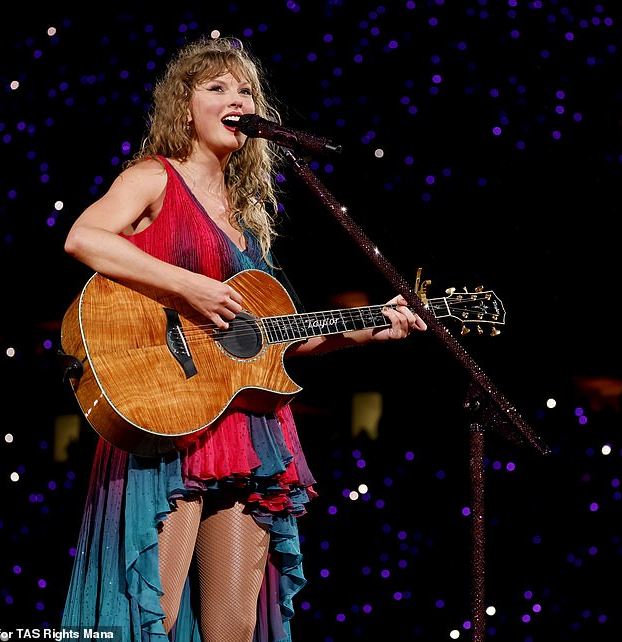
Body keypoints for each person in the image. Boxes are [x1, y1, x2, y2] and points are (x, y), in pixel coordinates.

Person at [59, 34, 427, 642]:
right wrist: (189, 288)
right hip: (170, 414)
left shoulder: (248, 217)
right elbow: (84, 237)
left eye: (247, 89)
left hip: (249, 429)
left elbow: (272, 343)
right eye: (218, 87)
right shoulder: (155, 178)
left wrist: (366, 330)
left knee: (233, 624)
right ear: (184, 109)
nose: (239, 97)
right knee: (158, 613)